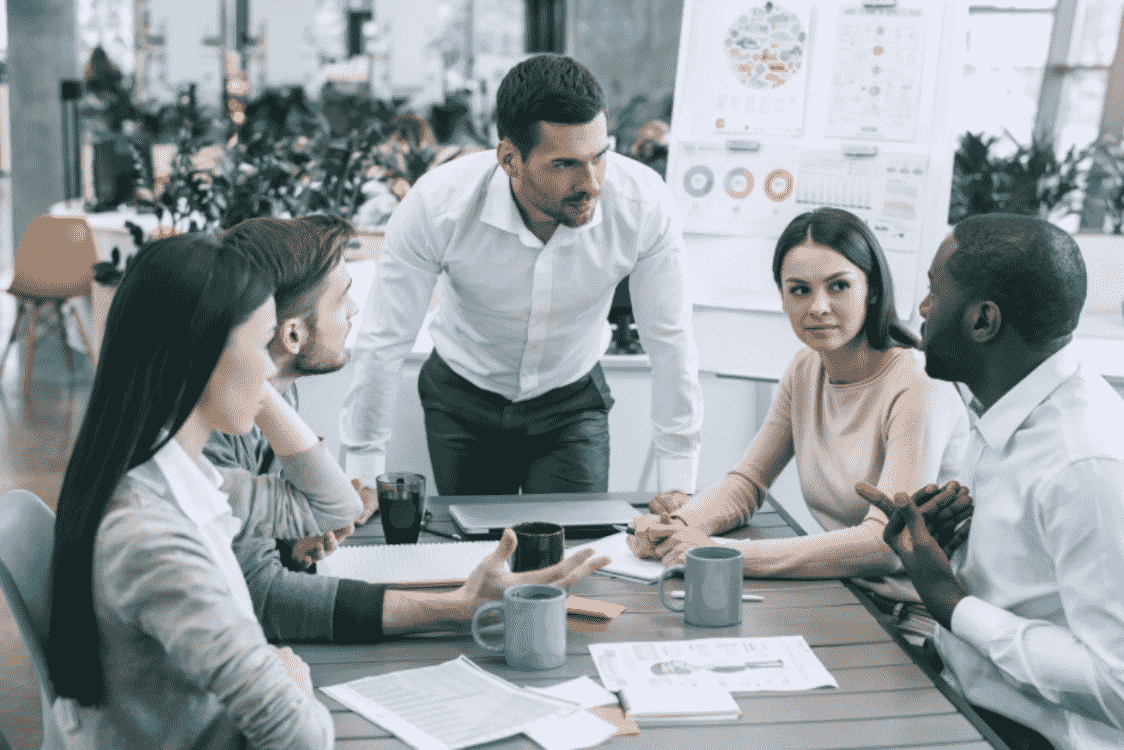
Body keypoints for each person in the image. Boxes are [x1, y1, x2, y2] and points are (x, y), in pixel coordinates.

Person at [214, 215, 610, 644]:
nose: (353, 310)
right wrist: (458, 608)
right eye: (342, 298)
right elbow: (261, 598)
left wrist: (288, 544)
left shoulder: (275, 396)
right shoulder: (219, 428)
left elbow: (248, 551)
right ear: (293, 334)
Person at [45, 233, 364, 748]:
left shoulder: (179, 480)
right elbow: (302, 736)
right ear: (202, 354)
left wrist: (249, 388)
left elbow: (334, 506)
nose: (270, 367)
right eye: (262, 345)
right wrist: (290, 680)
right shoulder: (150, 537)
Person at [340, 53, 703, 496]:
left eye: (599, 156)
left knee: (575, 538)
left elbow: (671, 342)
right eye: (565, 164)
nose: (591, 183)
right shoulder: (438, 206)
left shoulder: (642, 205)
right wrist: (362, 472)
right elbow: (384, 339)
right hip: (462, 399)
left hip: (570, 401)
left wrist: (679, 484)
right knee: (474, 537)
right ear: (510, 159)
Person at [627, 208, 970, 630]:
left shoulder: (918, 384)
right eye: (800, 290)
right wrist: (676, 527)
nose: (818, 307)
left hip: (914, 619)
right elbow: (746, 484)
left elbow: (885, 544)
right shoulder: (805, 369)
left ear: (872, 289)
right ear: (783, 297)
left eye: (839, 286)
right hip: (844, 595)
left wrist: (719, 552)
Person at [858, 214, 1124, 750]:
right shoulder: (1003, 399)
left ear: (982, 320)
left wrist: (951, 602)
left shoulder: (1086, 464)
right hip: (956, 690)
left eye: (935, 291)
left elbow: (1115, 686)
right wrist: (947, 552)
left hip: (1028, 736)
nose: (923, 309)